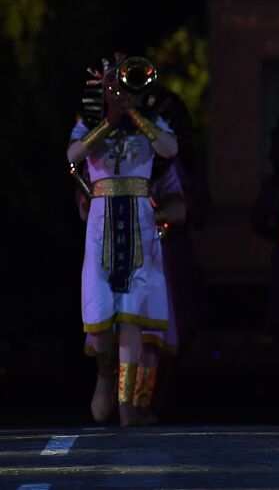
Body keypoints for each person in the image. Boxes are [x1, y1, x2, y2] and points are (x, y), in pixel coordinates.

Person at [67, 56, 179, 427]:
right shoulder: (87, 125)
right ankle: (103, 376)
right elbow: (72, 154)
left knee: (132, 313)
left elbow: (169, 149)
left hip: (139, 224)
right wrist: (109, 122)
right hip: (101, 225)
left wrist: (133, 117)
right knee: (99, 313)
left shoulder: (151, 124)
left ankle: (128, 403)